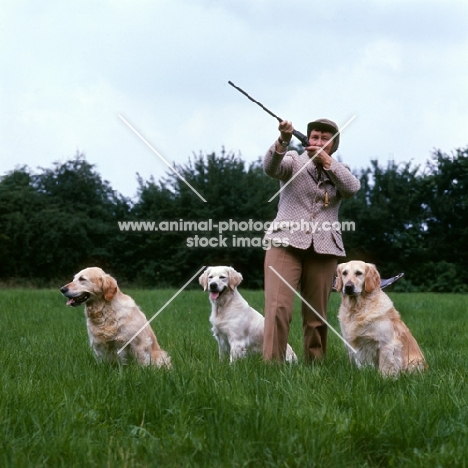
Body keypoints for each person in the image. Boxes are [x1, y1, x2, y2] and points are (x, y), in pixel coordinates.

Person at [262, 118, 360, 363]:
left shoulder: (340, 170)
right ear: (307, 140)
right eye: (314, 137)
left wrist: (328, 163)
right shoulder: (294, 161)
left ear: (333, 145)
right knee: (278, 309)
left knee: (317, 315)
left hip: (325, 248)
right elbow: (270, 167)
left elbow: (352, 188)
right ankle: (271, 368)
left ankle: (314, 368)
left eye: (325, 138)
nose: (318, 141)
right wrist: (283, 140)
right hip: (285, 242)